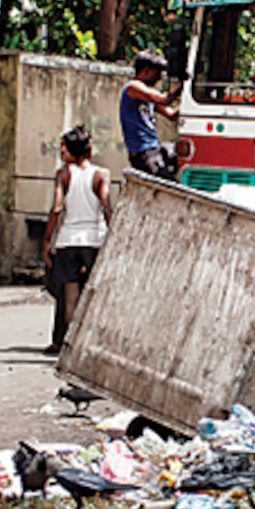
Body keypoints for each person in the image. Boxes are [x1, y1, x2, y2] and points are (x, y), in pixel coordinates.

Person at [42, 125, 112, 341]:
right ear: (89, 149)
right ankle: (89, 341)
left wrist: (46, 241)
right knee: (95, 295)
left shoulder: (63, 175)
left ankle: (70, 342)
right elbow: (107, 207)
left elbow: (56, 209)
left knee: (70, 297)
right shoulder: (102, 174)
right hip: (94, 239)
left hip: (68, 241)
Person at [120, 50, 182, 180]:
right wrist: (183, 85)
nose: (159, 78)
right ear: (147, 70)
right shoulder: (133, 87)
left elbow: (171, 114)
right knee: (168, 186)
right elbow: (163, 99)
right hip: (143, 153)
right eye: (157, 73)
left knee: (180, 152)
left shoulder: (148, 97)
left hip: (155, 148)